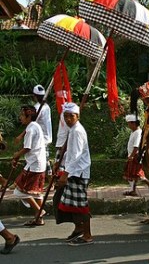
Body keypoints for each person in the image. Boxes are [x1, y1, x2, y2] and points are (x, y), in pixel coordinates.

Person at [56, 102, 93, 246]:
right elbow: (70, 153)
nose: (68, 119)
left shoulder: (77, 131)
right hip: (73, 172)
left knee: (81, 205)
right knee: (73, 204)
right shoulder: (72, 130)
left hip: (79, 172)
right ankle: (79, 229)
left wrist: (65, 173)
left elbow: (76, 155)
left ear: (77, 116)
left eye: (71, 116)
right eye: (65, 116)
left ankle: (88, 235)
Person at [12, 105, 47, 226]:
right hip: (39, 163)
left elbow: (27, 147)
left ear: (29, 116)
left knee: (19, 192)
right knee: (36, 193)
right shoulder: (35, 126)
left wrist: (16, 155)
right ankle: (39, 219)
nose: (20, 117)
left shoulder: (32, 128)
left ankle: (39, 211)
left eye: (22, 115)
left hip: (34, 165)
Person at [123, 114, 149, 196]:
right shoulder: (134, 132)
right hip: (133, 155)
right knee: (131, 174)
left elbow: (136, 146)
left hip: (136, 156)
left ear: (133, 123)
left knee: (137, 174)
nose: (128, 125)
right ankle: (133, 190)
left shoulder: (138, 133)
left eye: (129, 123)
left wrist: (132, 156)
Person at [32, 84, 53, 190]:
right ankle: (49, 182)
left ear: (35, 96)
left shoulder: (38, 108)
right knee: (45, 160)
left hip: (42, 139)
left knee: (43, 161)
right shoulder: (46, 107)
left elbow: (33, 121)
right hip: (46, 138)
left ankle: (49, 182)